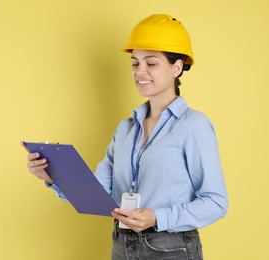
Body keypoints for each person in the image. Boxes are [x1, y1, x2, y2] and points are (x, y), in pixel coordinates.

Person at [21, 14, 228, 260]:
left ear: (177, 67)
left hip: (171, 248)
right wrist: (54, 177)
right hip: (123, 245)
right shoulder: (125, 130)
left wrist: (156, 217)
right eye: (135, 63)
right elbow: (96, 194)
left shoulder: (194, 126)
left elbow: (216, 202)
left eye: (151, 63)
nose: (140, 71)